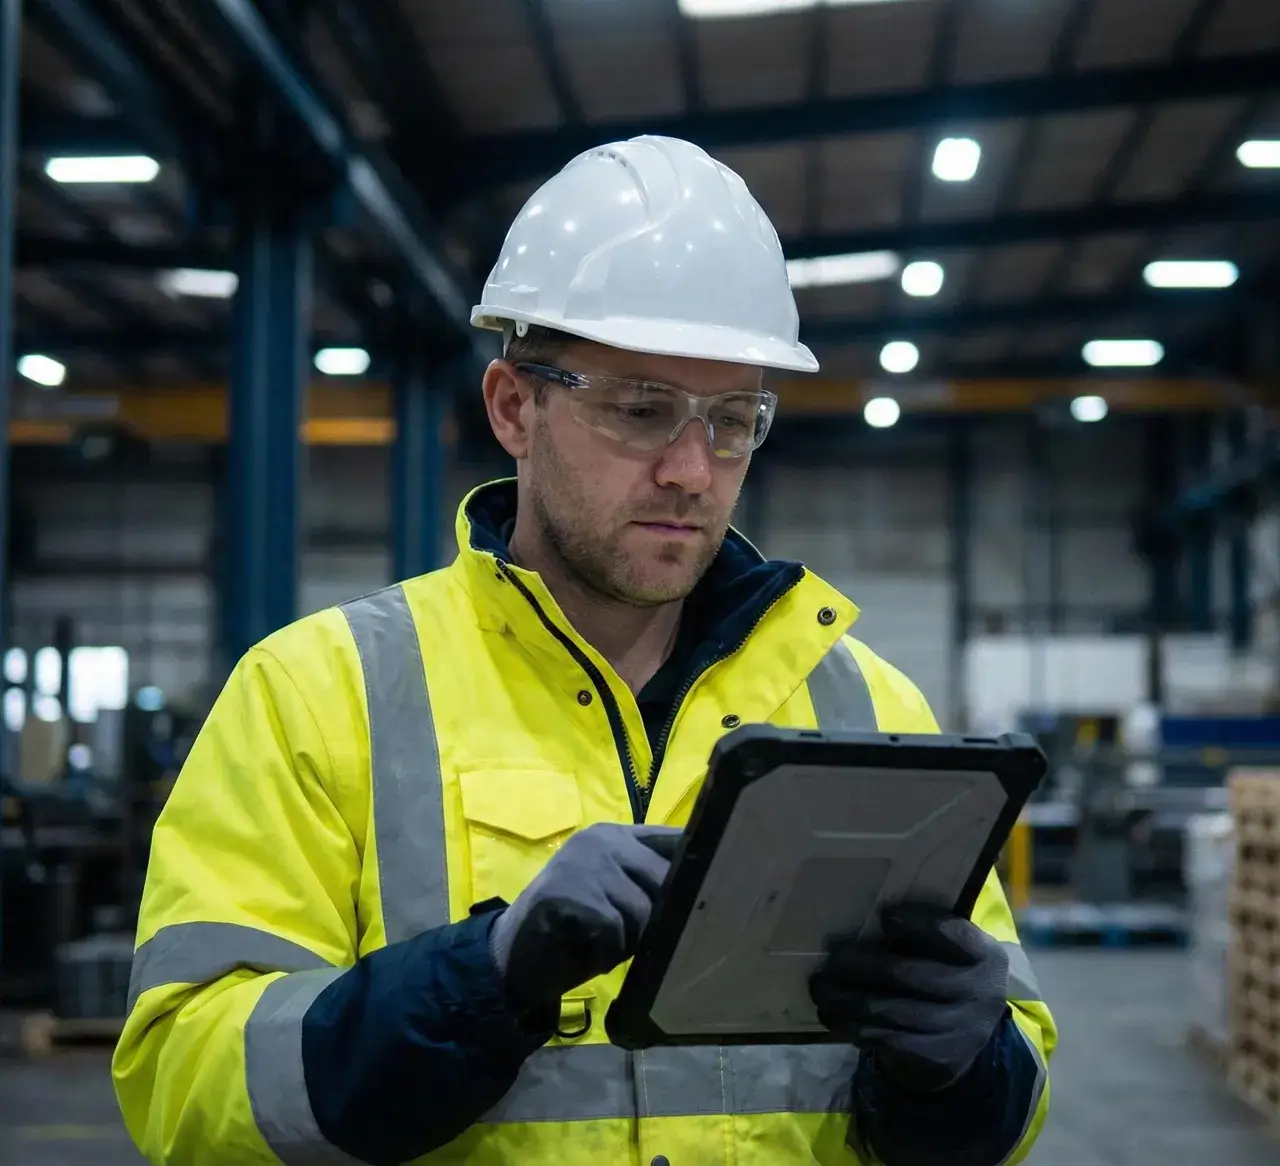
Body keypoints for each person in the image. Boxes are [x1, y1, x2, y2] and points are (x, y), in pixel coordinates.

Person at [112, 135, 1055, 1166]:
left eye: (733, 420)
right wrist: (484, 974)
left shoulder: (867, 706)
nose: (692, 470)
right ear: (515, 406)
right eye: (641, 409)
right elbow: (186, 1083)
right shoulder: (318, 693)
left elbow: (996, 1110)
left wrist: (963, 1071)